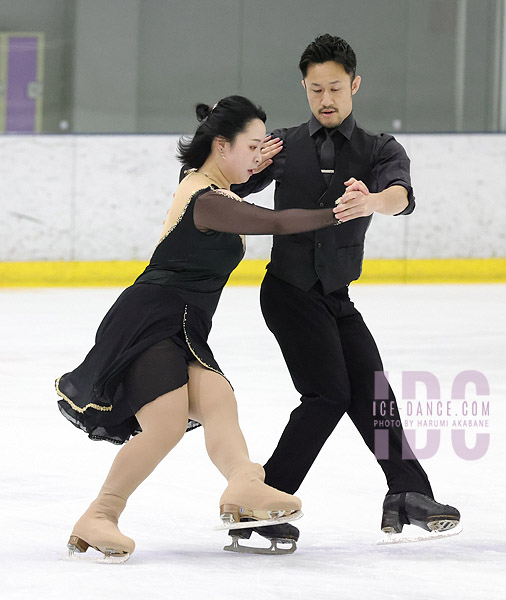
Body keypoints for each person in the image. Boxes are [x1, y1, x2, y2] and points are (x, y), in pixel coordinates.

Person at [55, 95, 343, 561]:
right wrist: (340, 212)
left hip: (183, 324)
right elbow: (277, 221)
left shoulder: (209, 186)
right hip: (152, 319)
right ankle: (100, 514)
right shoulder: (206, 201)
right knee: (166, 424)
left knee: (218, 400)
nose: (259, 153)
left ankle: (244, 488)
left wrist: (260, 168)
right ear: (221, 145)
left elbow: (238, 190)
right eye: (252, 146)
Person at [230, 35, 460, 542]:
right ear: (305, 90)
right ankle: (262, 501)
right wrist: (248, 159)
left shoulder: (379, 149)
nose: (326, 99)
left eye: (334, 87)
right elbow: (228, 186)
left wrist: (374, 201)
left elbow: (401, 195)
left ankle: (407, 490)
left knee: (371, 390)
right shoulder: (284, 145)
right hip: (289, 291)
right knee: (328, 394)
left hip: (335, 295)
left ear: (354, 84)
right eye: (315, 90)